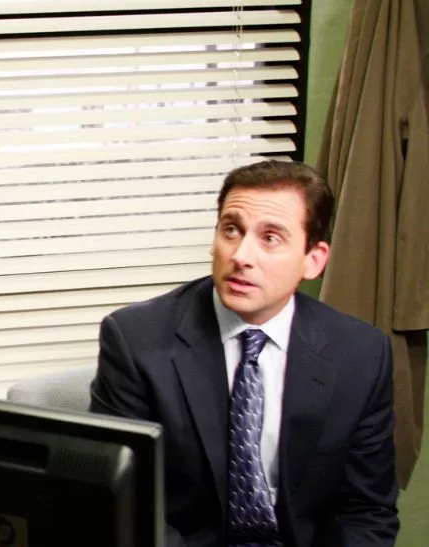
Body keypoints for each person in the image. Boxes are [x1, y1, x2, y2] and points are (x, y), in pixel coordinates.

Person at [90, 161, 399, 546]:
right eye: (231, 230)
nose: (241, 255)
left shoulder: (361, 354)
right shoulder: (136, 340)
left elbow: (365, 511)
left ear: (314, 260)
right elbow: (126, 506)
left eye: (270, 238)